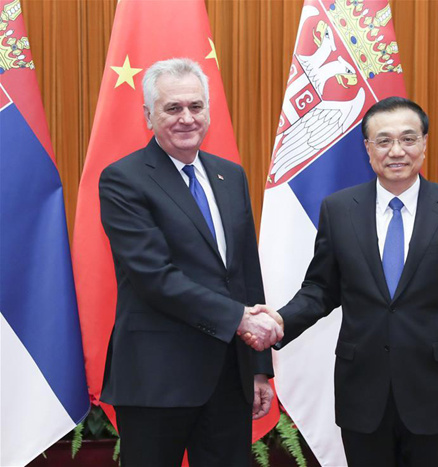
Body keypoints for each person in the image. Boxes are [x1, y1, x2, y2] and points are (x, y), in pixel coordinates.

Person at [249, 97, 438, 466]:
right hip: (363, 392)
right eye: (384, 140)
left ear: (425, 143)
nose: (397, 151)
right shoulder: (339, 209)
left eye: (408, 139)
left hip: (434, 392)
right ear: (368, 148)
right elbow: (321, 289)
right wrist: (281, 320)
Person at [98, 58, 282, 467]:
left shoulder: (229, 176)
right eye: (173, 108)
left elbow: (245, 274)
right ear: (149, 115)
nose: (187, 118)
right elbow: (153, 277)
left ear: (208, 112)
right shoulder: (123, 179)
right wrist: (240, 319)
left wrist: (256, 367)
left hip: (226, 378)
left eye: (196, 107)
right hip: (156, 377)